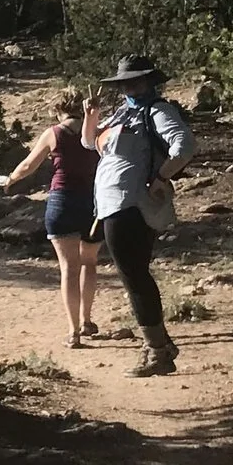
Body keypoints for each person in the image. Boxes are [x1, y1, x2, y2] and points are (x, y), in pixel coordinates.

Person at [84, 54, 196, 377]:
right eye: (125, 83)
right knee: (134, 275)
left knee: (134, 276)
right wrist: (91, 117)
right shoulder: (123, 111)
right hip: (111, 205)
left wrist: (162, 177)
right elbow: (90, 143)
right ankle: (160, 345)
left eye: (136, 81)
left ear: (149, 81)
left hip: (131, 205)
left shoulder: (157, 111)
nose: (130, 87)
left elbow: (185, 145)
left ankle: (157, 351)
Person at [0, 90, 102, 347]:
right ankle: (87, 321)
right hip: (94, 201)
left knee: (68, 267)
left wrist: (10, 180)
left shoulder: (54, 133)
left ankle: (73, 331)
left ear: (58, 110)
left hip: (62, 201)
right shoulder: (96, 130)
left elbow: (28, 165)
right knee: (89, 262)